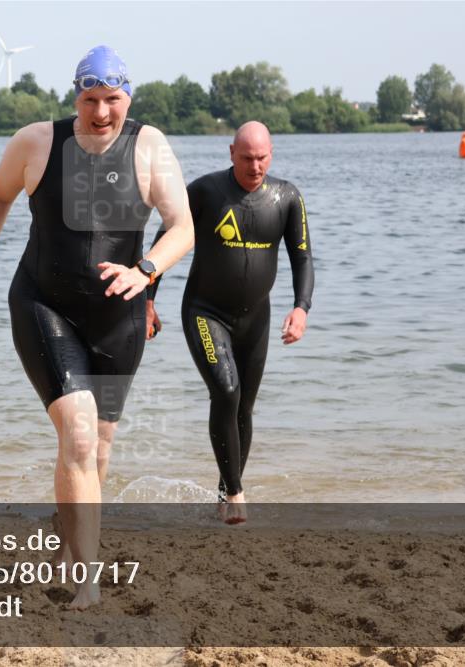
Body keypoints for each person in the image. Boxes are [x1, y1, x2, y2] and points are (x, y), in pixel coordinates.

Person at [0, 45, 194, 608]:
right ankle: (85, 580)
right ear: (75, 96)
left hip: (120, 317)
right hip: (44, 305)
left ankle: (69, 545)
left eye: (112, 100)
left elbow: (181, 226)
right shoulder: (37, 142)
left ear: (127, 97)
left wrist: (147, 270)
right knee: (79, 435)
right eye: (91, 100)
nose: (102, 112)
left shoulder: (150, 146)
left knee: (98, 448)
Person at [146, 121, 314, 525]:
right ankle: (237, 493)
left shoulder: (287, 197)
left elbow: (302, 257)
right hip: (205, 311)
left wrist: (301, 307)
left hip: (256, 317)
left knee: (244, 407)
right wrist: (148, 301)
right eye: (246, 158)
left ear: (271, 153)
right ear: (231, 153)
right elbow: (166, 238)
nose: (255, 167)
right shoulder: (206, 192)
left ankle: (225, 491)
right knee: (226, 389)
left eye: (262, 158)